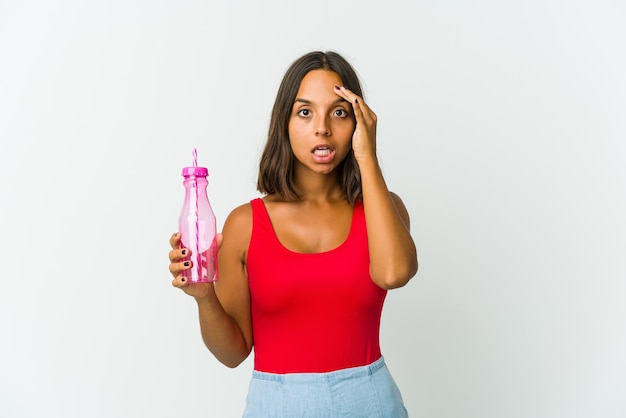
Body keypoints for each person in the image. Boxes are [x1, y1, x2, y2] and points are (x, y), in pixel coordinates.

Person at [168, 50, 418, 417]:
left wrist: (368, 158)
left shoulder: (384, 209)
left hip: (370, 401)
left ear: (359, 123)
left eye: (339, 112)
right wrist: (204, 297)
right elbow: (233, 353)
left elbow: (394, 274)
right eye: (305, 111)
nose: (322, 128)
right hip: (277, 405)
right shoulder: (245, 225)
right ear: (284, 122)